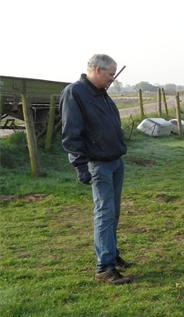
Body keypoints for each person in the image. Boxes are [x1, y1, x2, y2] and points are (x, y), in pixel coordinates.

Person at [60, 54, 133, 284]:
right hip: (98, 163)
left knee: (113, 212)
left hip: (115, 161)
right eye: (110, 74)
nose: (113, 78)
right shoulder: (75, 93)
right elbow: (71, 133)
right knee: (104, 213)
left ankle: (111, 253)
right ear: (97, 70)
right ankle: (105, 268)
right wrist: (80, 165)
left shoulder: (101, 92)